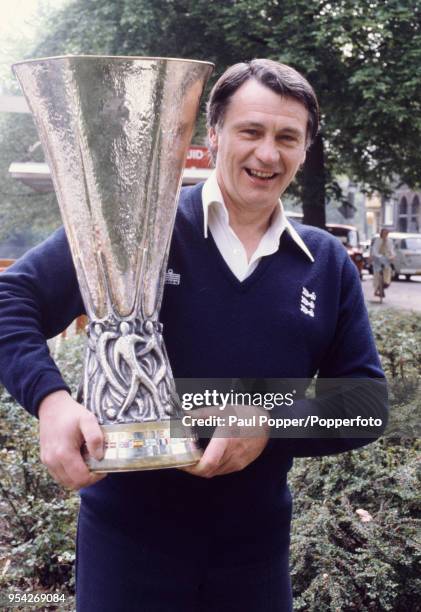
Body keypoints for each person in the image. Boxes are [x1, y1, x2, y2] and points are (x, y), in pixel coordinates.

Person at [0, 59, 387, 611]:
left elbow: (365, 402)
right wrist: (49, 401)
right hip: (127, 544)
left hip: (256, 554)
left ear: (304, 150)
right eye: (250, 131)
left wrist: (269, 422)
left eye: (287, 138)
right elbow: (11, 298)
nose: (267, 154)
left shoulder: (325, 263)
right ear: (213, 135)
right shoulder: (133, 223)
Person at [371, 228, 395, 297]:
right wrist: (378, 256)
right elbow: (374, 250)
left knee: (388, 270)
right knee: (377, 273)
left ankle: (385, 283)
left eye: (386, 233)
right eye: (384, 233)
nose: (385, 235)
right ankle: (376, 290)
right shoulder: (377, 241)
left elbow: (391, 249)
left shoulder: (389, 241)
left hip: (386, 259)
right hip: (378, 259)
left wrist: (392, 256)